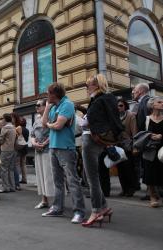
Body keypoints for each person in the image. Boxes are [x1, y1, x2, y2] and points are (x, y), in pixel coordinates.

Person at [80, 74, 123, 227]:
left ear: (96, 85)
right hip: (101, 141)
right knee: (92, 177)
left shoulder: (97, 101)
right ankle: (104, 208)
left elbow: (87, 122)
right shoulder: (109, 98)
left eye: (88, 85)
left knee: (91, 179)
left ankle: (96, 210)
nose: (87, 88)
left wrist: (83, 120)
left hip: (90, 140)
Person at [41, 82, 86, 224]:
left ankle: (79, 211)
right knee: (58, 181)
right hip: (54, 147)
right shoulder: (54, 106)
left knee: (72, 181)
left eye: (48, 93)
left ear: (54, 94)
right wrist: (47, 108)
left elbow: (58, 125)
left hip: (66, 148)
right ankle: (57, 208)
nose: (46, 95)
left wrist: (50, 124)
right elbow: (44, 124)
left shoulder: (67, 104)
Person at [31, 99, 54, 209]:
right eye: (36, 105)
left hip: (48, 150)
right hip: (38, 151)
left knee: (49, 176)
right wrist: (33, 143)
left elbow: (53, 132)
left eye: (38, 105)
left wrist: (44, 143)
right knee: (41, 176)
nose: (36, 107)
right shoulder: (36, 119)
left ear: (46, 106)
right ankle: (44, 200)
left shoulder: (51, 116)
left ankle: (55, 201)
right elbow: (32, 134)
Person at [132, 83, 152, 200]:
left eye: (134, 90)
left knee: (149, 166)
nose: (133, 93)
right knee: (147, 166)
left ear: (140, 91)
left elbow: (148, 123)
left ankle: (152, 193)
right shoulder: (142, 103)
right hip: (147, 139)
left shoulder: (147, 101)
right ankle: (151, 191)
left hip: (148, 140)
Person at [143, 96, 163, 208]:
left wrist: (161, 136)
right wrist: (150, 135)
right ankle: (152, 196)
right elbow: (141, 133)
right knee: (150, 174)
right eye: (159, 102)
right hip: (150, 149)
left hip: (162, 150)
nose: (162, 104)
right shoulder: (146, 119)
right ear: (152, 105)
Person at [117, 98, 139, 197]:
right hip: (117, 145)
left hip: (128, 144)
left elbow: (134, 132)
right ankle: (124, 189)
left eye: (121, 105)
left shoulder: (130, 116)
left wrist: (135, 147)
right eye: (117, 106)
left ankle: (131, 189)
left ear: (125, 106)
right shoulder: (115, 116)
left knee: (128, 168)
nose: (118, 107)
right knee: (120, 168)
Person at [0, 113, 17, 193]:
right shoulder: (13, 127)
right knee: (11, 169)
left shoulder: (5, 128)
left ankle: (5, 187)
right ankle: (12, 186)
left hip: (5, 150)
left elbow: (0, 140)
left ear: (5, 119)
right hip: (13, 149)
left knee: (3, 169)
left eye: (2, 119)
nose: (2, 120)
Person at [11, 112, 22, 190]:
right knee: (12, 166)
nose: (11, 119)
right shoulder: (12, 126)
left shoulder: (18, 127)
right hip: (11, 148)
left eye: (12, 117)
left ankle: (17, 184)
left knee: (15, 166)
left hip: (15, 148)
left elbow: (18, 136)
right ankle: (14, 183)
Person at [19, 117, 29, 184]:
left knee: (18, 164)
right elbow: (27, 140)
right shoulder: (27, 130)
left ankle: (20, 179)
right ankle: (24, 178)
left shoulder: (19, 129)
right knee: (23, 164)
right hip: (25, 147)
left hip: (19, 148)